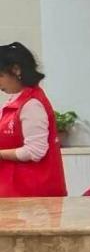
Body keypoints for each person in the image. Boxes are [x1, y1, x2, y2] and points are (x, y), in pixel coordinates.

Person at [0, 42, 67, 198]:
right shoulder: (14, 101)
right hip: (14, 191)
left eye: (0, 75)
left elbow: (35, 151)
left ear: (16, 70)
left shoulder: (32, 104)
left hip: (33, 195)